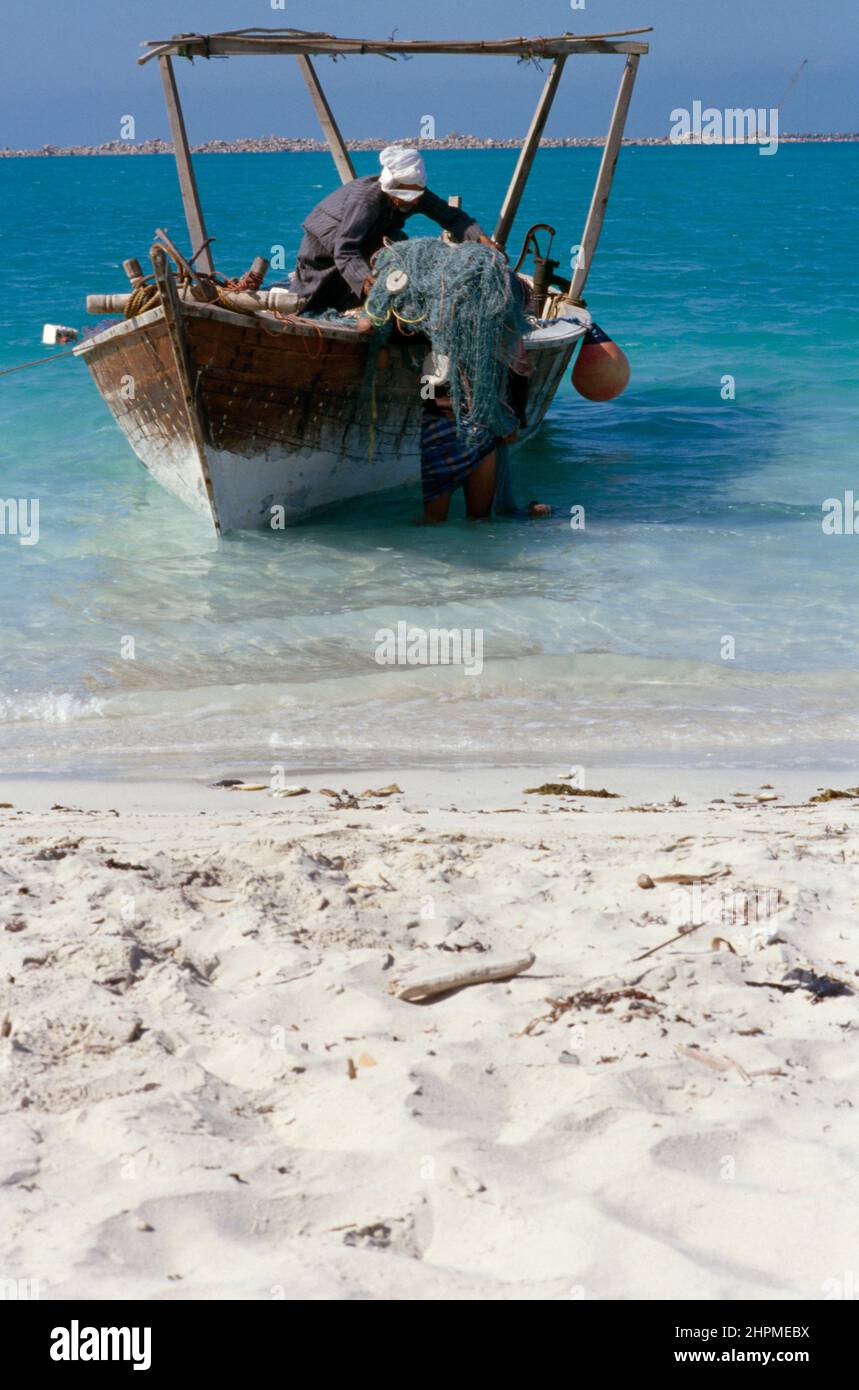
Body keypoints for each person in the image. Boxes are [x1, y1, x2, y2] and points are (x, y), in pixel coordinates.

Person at [280, 146, 497, 313]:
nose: (411, 203)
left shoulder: (416, 195)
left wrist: (481, 239)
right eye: (405, 198)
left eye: (415, 198)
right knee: (308, 302)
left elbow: (452, 217)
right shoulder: (365, 201)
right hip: (323, 250)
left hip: (364, 241)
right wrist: (368, 284)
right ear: (391, 188)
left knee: (396, 242)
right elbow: (345, 250)